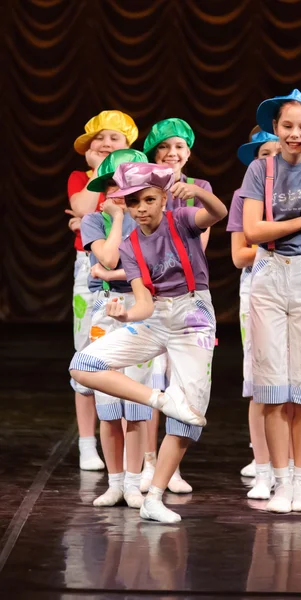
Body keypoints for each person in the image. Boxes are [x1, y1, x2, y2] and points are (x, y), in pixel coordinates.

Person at [70, 162, 227, 522]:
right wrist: (125, 316)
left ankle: (154, 496)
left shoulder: (183, 219)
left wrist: (200, 193)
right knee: (82, 365)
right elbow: (142, 301)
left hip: (193, 315)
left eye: (149, 199)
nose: (141, 208)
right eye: (133, 202)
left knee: (190, 416)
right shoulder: (129, 245)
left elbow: (216, 214)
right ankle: (160, 399)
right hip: (155, 317)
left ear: (163, 198)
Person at [241, 89, 301, 513]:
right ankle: (280, 481)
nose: (295, 134)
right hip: (267, 273)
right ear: (275, 129)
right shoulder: (259, 169)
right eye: (287, 126)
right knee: (272, 385)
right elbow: (252, 233)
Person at [140, 118, 212, 495]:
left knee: (181, 384)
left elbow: (199, 244)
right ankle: (148, 462)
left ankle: (171, 469)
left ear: (188, 152)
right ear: (155, 153)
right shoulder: (144, 189)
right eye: (165, 148)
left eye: (179, 147)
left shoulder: (199, 188)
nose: (172, 153)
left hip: (186, 296)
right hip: (150, 295)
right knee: (153, 381)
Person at [80, 148, 154, 508]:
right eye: (113, 186)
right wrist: (119, 220)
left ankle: (135, 482)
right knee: (108, 404)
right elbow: (107, 257)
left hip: (141, 309)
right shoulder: (95, 221)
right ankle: (115, 481)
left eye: (126, 186)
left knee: (137, 402)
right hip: (105, 310)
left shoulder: (151, 219)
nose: (118, 194)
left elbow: (149, 268)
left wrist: (112, 272)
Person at [67, 110, 138, 470]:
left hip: (131, 274)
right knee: (87, 350)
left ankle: (128, 445)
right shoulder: (83, 177)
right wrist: (98, 171)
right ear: (88, 147)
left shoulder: (133, 190)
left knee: (128, 357)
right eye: (100, 139)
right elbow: (82, 205)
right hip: (91, 269)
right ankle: (86, 442)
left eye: (115, 139)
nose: (107, 144)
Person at [228, 130, 280, 499]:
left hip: (299, 282)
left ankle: (297, 463)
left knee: (298, 376)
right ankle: (262, 462)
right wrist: (275, 241)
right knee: (261, 377)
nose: (273, 157)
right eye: (265, 152)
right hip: (258, 288)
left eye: (278, 150)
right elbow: (239, 255)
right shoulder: (244, 195)